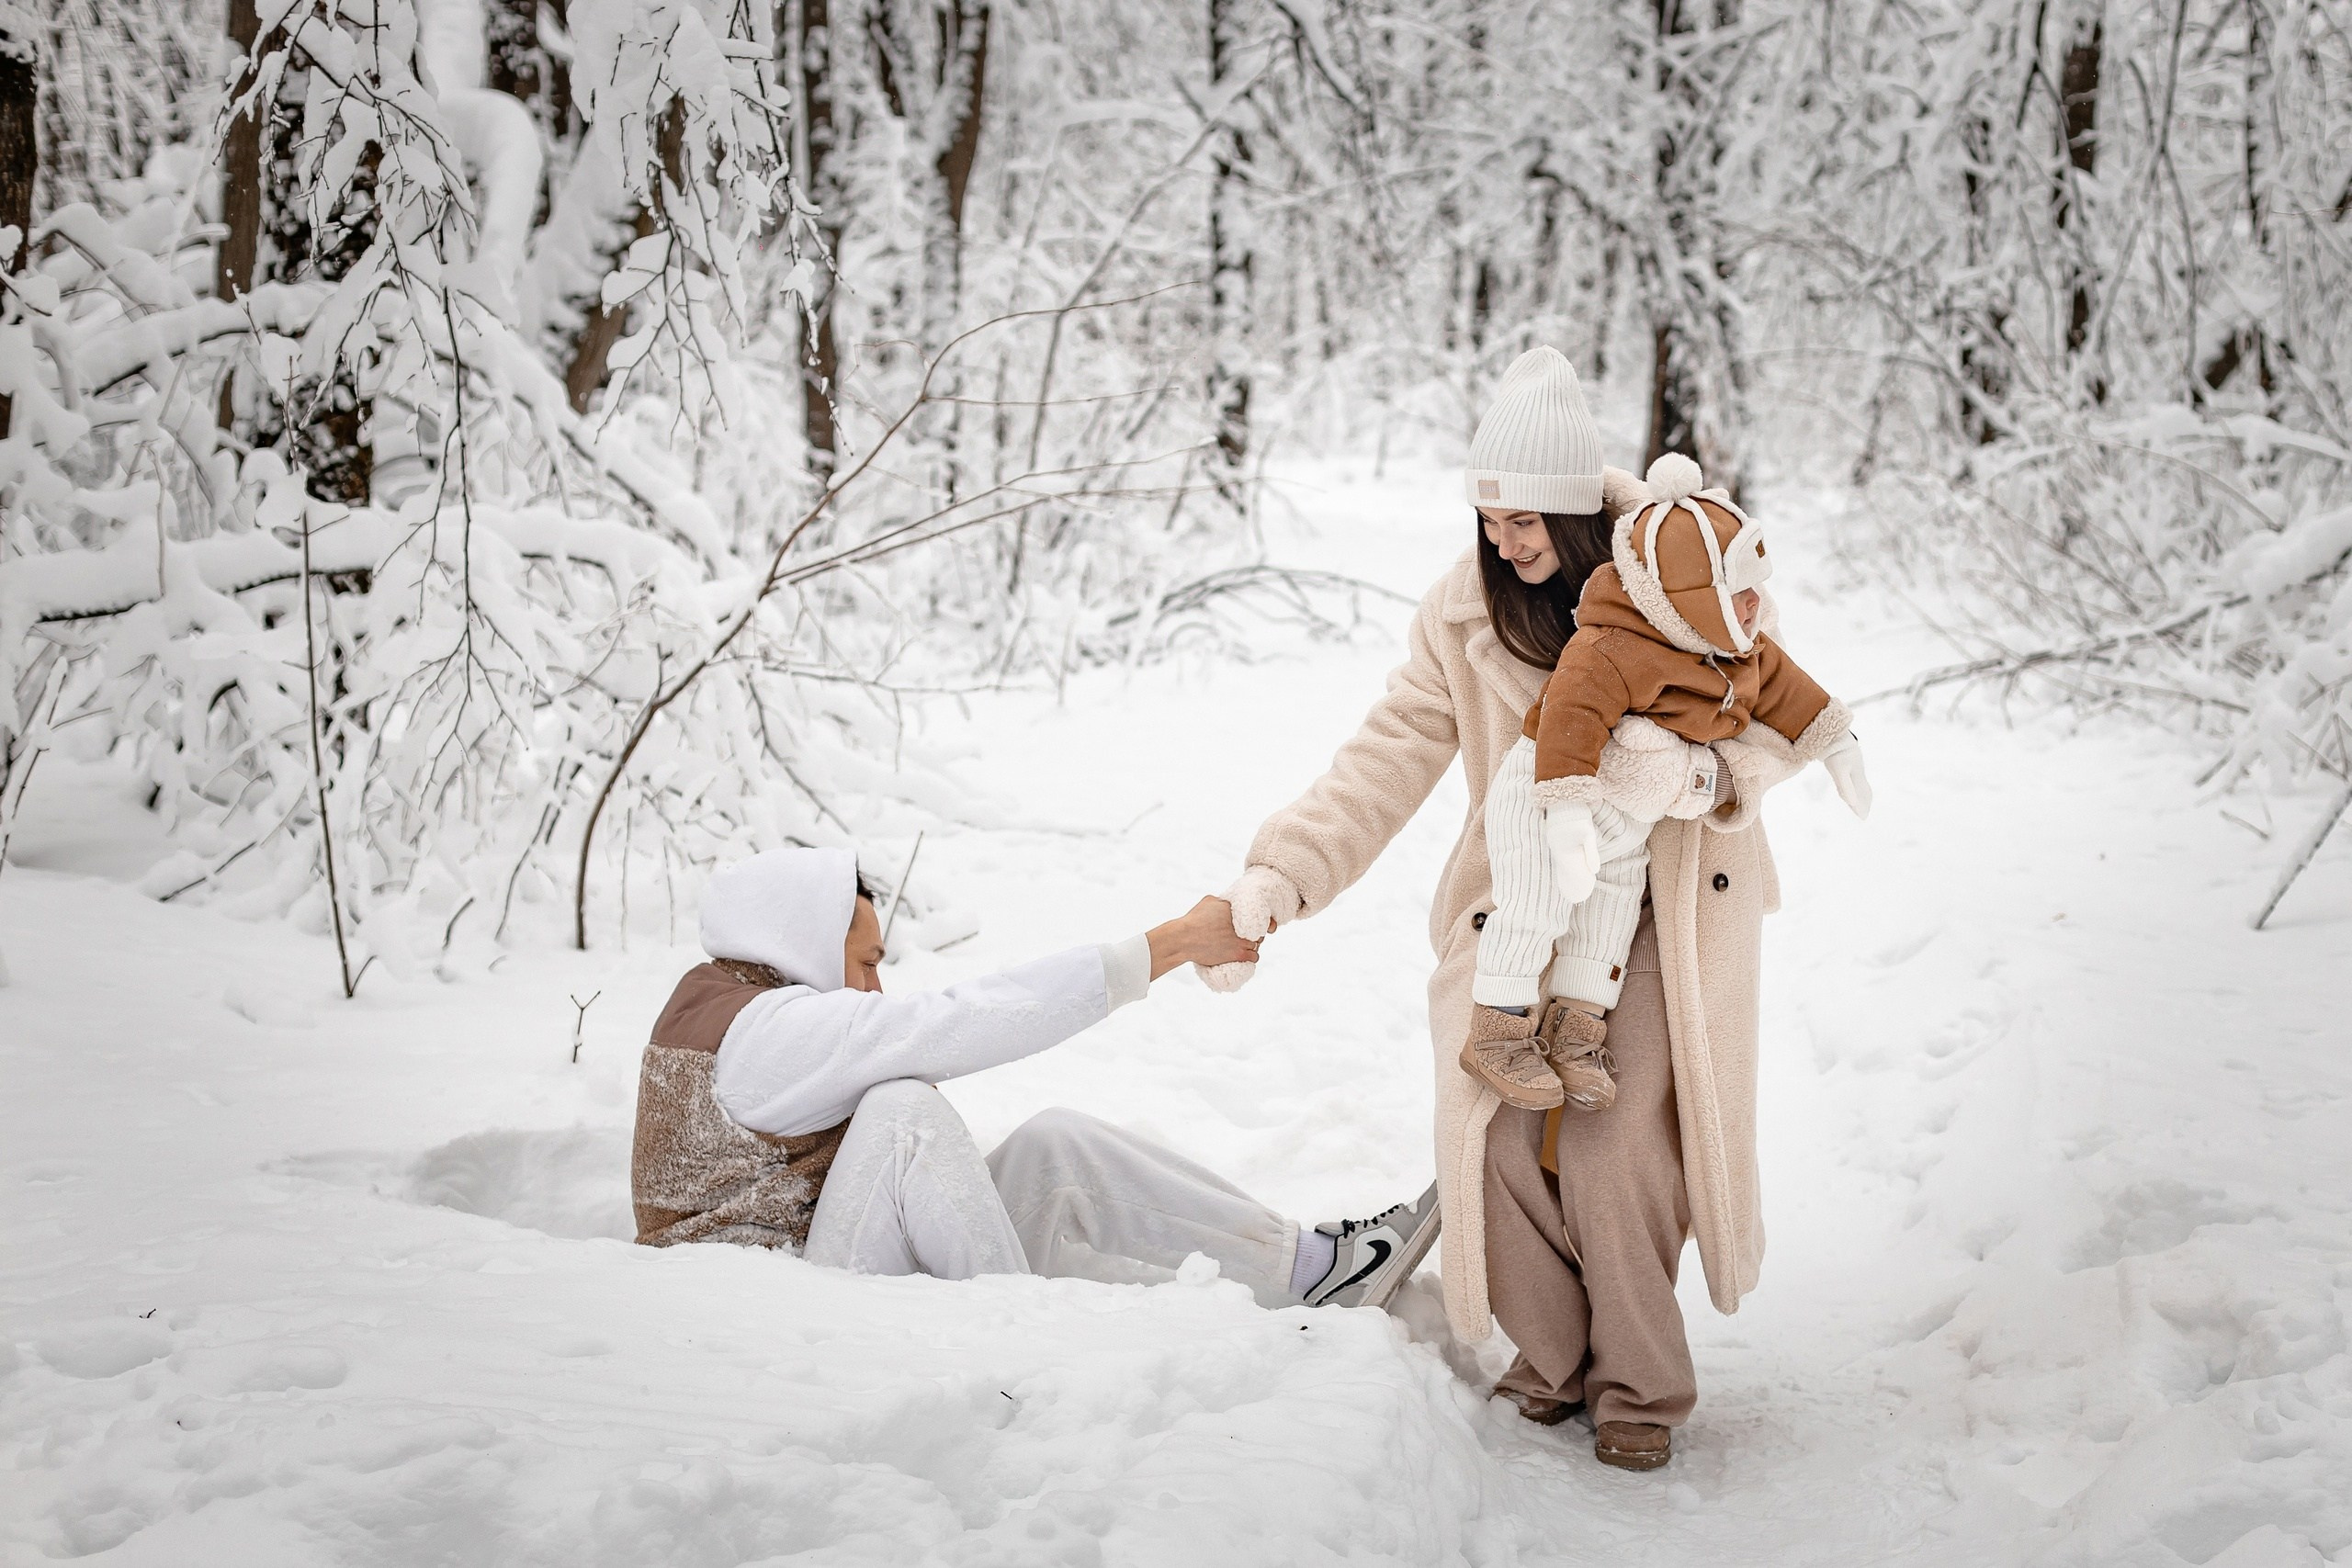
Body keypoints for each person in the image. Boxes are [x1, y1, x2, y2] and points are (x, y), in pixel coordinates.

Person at [1200, 344, 1823, 1472]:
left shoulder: (1681, 570)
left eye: (1524, 519)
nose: (1501, 541)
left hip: (1653, 915)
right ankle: (1553, 1358)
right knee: (1492, 1139)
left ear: (1580, 509)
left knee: (1610, 1138)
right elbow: (1383, 758)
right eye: (1486, 517)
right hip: (1520, 910)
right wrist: (1282, 874)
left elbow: (1774, 716)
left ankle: (1639, 1384)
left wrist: (1701, 781)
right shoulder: (1461, 619)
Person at [628, 846, 1441, 1311]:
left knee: (1053, 1145)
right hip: (776, 1322)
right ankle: (1021, 1345)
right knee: (903, 1110)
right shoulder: (765, 1031)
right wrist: (1168, 944)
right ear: (802, 939)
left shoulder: (747, 1008)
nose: (874, 986)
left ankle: (1311, 1270)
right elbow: (961, 1017)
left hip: (830, 1275)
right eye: (866, 962)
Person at [1462, 449, 1869, 1116]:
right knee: (1537, 899)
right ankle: (1499, 1027)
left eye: (1754, 590)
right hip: (1549, 792)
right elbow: (1569, 714)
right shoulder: (1612, 643)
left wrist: (1836, 741)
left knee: (1609, 910)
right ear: (1688, 594)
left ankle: (1575, 1030)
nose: (1754, 606)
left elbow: (1786, 688)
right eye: (1739, 593)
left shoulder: (1734, 638)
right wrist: (1564, 809)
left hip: (1628, 816)